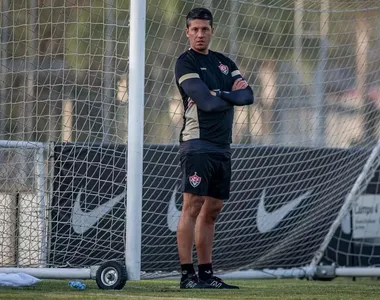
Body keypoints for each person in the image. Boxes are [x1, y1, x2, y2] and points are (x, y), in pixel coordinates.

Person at [174, 7, 254, 289]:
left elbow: (249, 96)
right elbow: (205, 104)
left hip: (222, 146)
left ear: (212, 31)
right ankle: (187, 275)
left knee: (213, 209)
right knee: (192, 205)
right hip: (197, 143)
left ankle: (207, 274)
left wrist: (218, 93)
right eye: (194, 29)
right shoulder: (185, 63)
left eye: (204, 29)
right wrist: (229, 95)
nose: (199, 34)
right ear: (187, 32)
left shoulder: (224, 62)